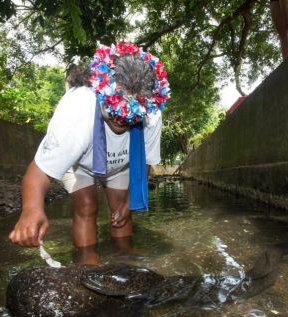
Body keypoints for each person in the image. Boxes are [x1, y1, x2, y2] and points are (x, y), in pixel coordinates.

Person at [9, 42, 170, 259]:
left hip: (121, 164)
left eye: (130, 116)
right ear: (102, 93)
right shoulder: (78, 110)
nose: (122, 120)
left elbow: (146, 162)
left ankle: (124, 256)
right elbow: (39, 172)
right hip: (80, 164)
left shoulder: (151, 113)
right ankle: (87, 262)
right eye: (116, 111)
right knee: (86, 205)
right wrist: (31, 210)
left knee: (121, 209)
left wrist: (129, 202)